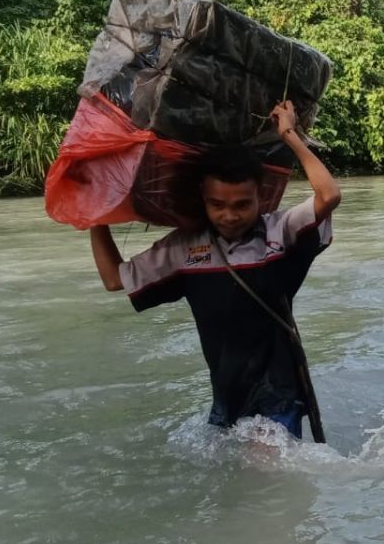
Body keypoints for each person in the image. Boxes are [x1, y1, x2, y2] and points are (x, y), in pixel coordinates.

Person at [89, 101, 341, 438]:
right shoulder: (184, 248)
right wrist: (96, 217)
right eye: (217, 205)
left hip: (278, 395)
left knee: (265, 477)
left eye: (242, 205)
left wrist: (290, 135)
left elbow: (329, 194)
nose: (230, 216)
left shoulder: (279, 233)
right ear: (203, 199)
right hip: (227, 400)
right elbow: (112, 279)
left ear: (260, 197)